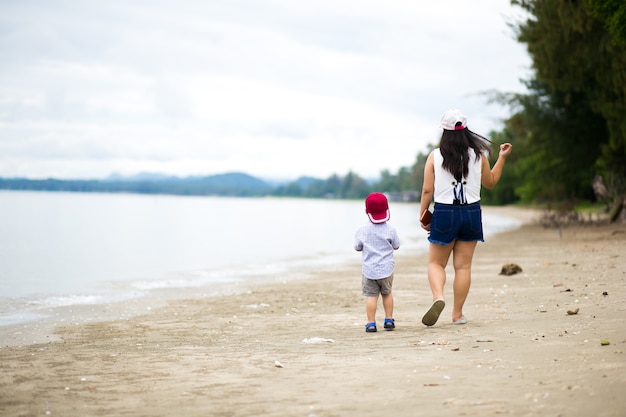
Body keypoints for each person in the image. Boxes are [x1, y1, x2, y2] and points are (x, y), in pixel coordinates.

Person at [419, 108, 512, 326]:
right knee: (463, 267)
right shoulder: (479, 155)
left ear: (445, 131)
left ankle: (438, 297)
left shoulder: (435, 155)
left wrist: (423, 213)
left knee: (435, 263)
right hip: (471, 213)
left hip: (445, 212)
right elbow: (490, 183)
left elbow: (426, 190)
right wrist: (502, 158)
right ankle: (457, 315)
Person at [354, 192, 400, 333]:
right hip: (386, 270)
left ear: (367, 211)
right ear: (386, 209)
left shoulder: (362, 230)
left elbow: (357, 247)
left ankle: (371, 323)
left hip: (369, 271)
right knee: (387, 293)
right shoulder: (391, 229)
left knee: (371, 297)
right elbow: (396, 246)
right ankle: (388, 319)